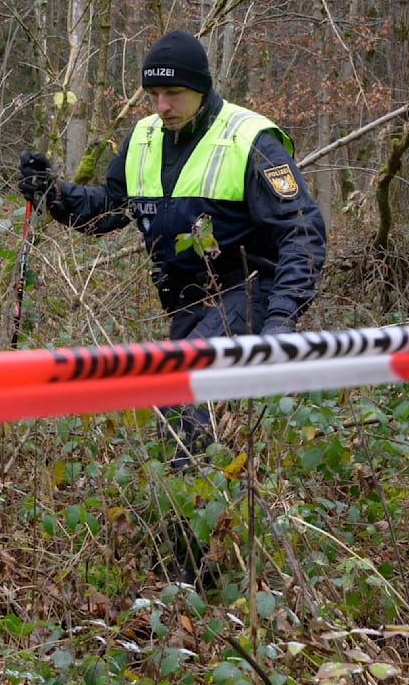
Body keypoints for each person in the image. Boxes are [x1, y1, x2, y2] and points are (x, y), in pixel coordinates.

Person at [18, 30, 327, 583]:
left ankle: (188, 575)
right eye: (153, 97)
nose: (162, 107)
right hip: (184, 305)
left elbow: (302, 231)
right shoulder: (144, 137)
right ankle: (206, 550)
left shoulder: (251, 139)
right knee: (183, 416)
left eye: (174, 96)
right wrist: (53, 194)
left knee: (187, 411)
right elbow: (108, 208)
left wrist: (282, 319)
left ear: (202, 90)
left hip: (247, 291)